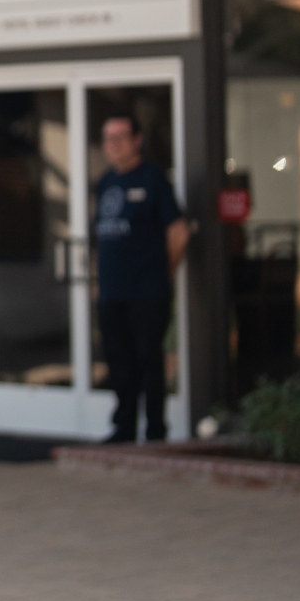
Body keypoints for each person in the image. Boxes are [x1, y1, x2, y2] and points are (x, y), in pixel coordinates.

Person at [92, 114, 190, 444]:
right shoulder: (106, 183)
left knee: (149, 361)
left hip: (147, 292)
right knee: (119, 363)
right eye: (108, 138)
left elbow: (178, 232)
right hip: (112, 292)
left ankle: (156, 432)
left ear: (138, 140)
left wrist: (167, 271)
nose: (114, 144)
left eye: (121, 137)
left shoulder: (153, 180)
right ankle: (124, 429)